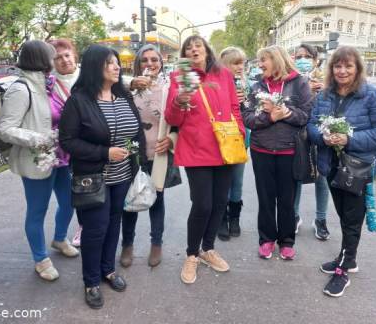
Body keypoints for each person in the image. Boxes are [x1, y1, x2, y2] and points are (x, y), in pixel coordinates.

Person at [59, 45, 147, 309]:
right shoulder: (79, 100)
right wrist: (104, 152)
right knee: (95, 229)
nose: (116, 66)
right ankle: (91, 281)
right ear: (95, 66)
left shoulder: (123, 96)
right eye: (110, 63)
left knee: (113, 224)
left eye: (117, 62)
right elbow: (67, 141)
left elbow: (136, 132)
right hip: (93, 178)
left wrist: (134, 152)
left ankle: (108, 269)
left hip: (122, 176)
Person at [307, 46, 376, 297]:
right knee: (345, 217)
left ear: (357, 69)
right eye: (337, 66)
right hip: (331, 166)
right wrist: (323, 137)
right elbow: (311, 126)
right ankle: (348, 258)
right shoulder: (324, 96)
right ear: (332, 69)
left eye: (348, 66)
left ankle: (344, 270)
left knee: (353, 220)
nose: (342, 71)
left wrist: (348, 139)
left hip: (357, 168)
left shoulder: (373, 96)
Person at [165, 35, 245, 284]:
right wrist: (179, 101)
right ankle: (192, 254)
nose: (193, 49)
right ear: (185, 56)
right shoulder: (180, 77)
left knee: (220, 202)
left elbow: (234, 108)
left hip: (225, 147)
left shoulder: (223, 75)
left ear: (207, 50)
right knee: (203, 204)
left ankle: (207, 249)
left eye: (197, 45)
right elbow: (173, 118)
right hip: (196, 148)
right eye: (188, 48)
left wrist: (240, 133)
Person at [0, 40, 79, 282]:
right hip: (37, 159)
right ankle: (40, 259)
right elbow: (6, 128)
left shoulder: (49, 83)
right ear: (41, 59)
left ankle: (60, 238)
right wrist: (38, 139)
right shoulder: (21, 89)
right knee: (37, 211)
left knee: (69, 202)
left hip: (62, 156)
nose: (56, 60)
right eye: (52, 56)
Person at [241, 45, 312, 261]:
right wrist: (270, 117)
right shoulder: (255, 86)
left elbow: (306, 116)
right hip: (261, 150)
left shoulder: (299, 83)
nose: (260, 65)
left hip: (289, 151)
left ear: (277, 60)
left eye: (264, 60)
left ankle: (287, 241)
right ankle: (266, 239)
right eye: (259, 60)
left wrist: (285, 113)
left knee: (286, 200)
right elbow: (248, 118)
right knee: (265, 198)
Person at [120, 45, 178, 268]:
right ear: (138, 64)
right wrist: (130, 86)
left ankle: (156, 243)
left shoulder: (169, 87)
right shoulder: (127, 86)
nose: (150, 64)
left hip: (159, 151)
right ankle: (127, 244)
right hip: (131, 150)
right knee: (129, 199)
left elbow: (180, 120)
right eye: (145, 60)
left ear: (161, 63)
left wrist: (172, 138)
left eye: (154, 59)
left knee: (157, 199)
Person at [292, 43, 331, 240]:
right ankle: (294, 216)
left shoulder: (327, 79)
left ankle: (321, 219)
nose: (302, 60)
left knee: (322, 176)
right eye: (299, 56)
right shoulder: (291, 80)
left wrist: (324, 89)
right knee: (297, 175)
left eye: (307, 56)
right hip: (298, 134)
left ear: (316, 60)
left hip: (322, 133)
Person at [47, 38, 83, 248]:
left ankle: (86, 226)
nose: (64, 60)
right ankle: (76, 229)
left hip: (89, 142)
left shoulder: (88, 77)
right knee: (73, 192)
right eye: (58, 57)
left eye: (66, 55)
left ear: (74, 55)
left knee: (91, 187)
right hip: (63, 147)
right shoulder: (49, 83)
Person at [216, 46, 250, 241]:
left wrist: (245, 103)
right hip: (221, 139)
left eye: (242, 63)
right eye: (236, 63)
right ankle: (222, 218)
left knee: (237, 180)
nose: (240, 67)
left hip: (240, 138)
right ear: (224, 65)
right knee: (223, 182)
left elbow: (253, 112)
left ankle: (234, 218)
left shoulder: (246, 85)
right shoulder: (215, 85)